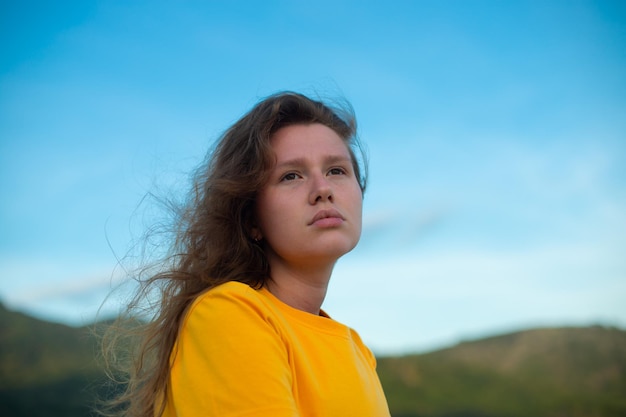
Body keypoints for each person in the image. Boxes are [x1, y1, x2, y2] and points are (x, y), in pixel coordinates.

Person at [102, 91, 390, 417]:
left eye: (337, 170)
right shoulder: (228, 314)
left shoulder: (358, 350)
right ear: (252, 218)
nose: (323, 189)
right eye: (290, 176)